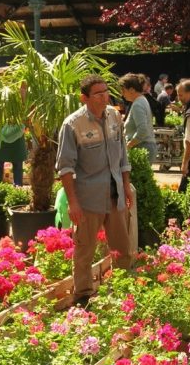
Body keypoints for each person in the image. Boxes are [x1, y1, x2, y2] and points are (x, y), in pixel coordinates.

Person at [56, 74, 133, 307]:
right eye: (98, 93)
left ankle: (123, 289)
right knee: (84, 250)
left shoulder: (114, 117)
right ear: (84, 98)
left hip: (115, 194)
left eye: (105, 91)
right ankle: (83, 295)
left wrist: (127, 186)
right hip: (88, 198)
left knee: (123, 248)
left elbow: (123, 157)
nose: (104, 96)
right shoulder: (73, 125)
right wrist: (73, 203)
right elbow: (65, 168)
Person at [121, 73, 158, 163]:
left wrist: (128, 146)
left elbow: (142, 130)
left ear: (132, 90)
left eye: (123, 90)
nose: (121, 93)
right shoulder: (141, 100)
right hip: (145, 147)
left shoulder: (138, 104)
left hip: (142, 147)